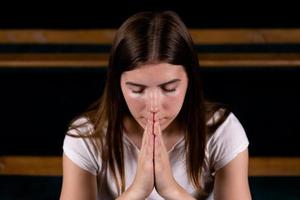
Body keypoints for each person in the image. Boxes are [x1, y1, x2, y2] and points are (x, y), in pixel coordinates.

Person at [60, 11, 251, 200]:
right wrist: (136, 191)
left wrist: (171, 190)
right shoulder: (86, 136)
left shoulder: (222, 131)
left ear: (189, 81)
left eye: (169, 88)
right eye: (137, 89)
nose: (153, 106)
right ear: (117, 85)